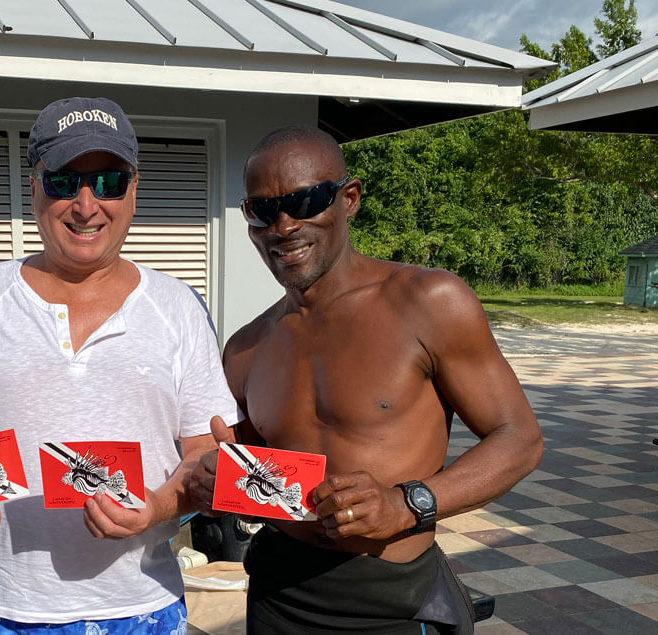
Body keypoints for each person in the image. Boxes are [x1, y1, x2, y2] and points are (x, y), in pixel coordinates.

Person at [0, 96, 240, 634]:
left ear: (134, 190)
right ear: (34, 186)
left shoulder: (179, 307)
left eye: (108, 182)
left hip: (142, 608)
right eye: (64, 181)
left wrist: (156, 506)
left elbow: (201, 454)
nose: (86, 205)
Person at [190, 126, 543, 634]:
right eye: (263, 210)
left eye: (305, 201)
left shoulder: (427, 302)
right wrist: (218, 475)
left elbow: (520, 439)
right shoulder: (247, 346)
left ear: (348, 199)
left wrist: (409, 503)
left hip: (391, 601)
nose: (283, 226)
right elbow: (258, 459)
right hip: (277, 594)